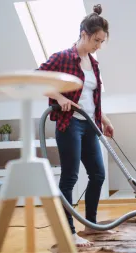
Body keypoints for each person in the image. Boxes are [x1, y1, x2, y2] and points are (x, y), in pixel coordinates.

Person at [37, 4, 114, 247]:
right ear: (83, 33)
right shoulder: (62, 57)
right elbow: (37, 78)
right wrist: (59, 98)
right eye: (96, 40)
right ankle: (68, 232)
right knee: (70, 177)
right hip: (70, 124)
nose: (98, 46)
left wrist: (105, 119)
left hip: (90, 125)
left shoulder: (94, 63)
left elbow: (92, 96)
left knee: (98, 174)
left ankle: (90, 225)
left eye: (102, 42)